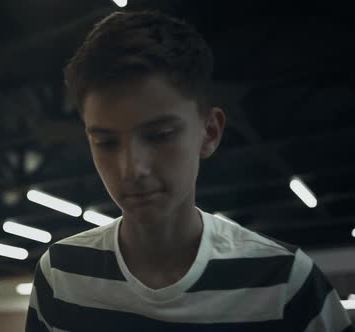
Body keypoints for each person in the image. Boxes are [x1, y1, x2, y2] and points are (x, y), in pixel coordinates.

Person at [25, 10, 353, 332]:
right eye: (106, 142)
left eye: (159, 135)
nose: (131, 169)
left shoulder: (287, 283)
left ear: (209, 132)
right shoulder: (59, 276)